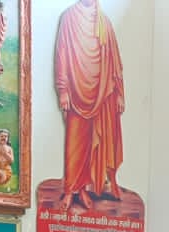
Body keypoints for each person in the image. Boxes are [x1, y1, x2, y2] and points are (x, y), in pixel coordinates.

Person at [53, 0, 125, 210]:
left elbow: (115, 63)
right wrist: (63, 89)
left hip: (101, 92)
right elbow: (62, 54)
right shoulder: (69, 17)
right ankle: (70, 190)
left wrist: (119, 94)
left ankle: (83, 188)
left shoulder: (105, 22)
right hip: (77, 89)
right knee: (75, 142)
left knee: (94, 143)